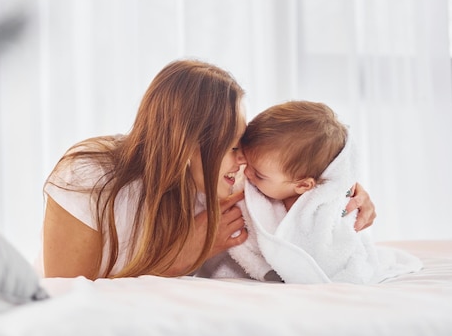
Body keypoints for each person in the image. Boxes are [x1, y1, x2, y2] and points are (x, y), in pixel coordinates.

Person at [41, 60, 376, 279]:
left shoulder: (224, 181)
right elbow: (63, 302)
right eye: (232, 148)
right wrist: (179, 258)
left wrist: (343, 192)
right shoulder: (87, 179)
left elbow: (294, 182)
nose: (243, 160)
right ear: (187, 147)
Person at [199, 100, 418, 284]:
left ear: (303, 185)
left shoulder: (322, 208)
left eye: (259, 174)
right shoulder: (249, 183)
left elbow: (331, 253)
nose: (246, 174)